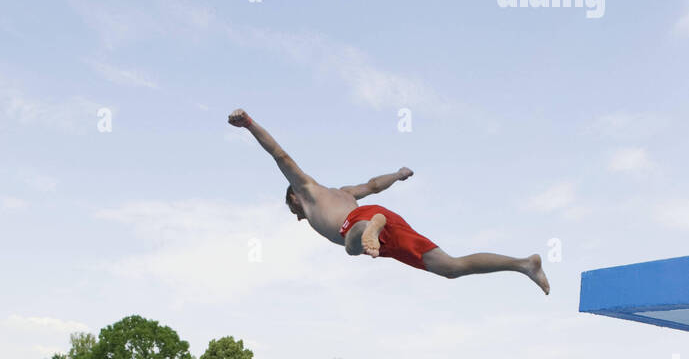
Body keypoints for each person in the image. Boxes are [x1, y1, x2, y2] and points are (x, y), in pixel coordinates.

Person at [228, 110, 550, 293]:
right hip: (386, 228)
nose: (297, 214)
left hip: (365, 225)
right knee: (452, 268)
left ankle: (371, 229)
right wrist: (397, 174)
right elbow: (372, 185)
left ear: (293, 198)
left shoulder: (307, 191)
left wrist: (249, 124)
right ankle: (524, 264)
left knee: (350, 246)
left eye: (293, 208)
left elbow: (279, 154)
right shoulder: (344, 192)